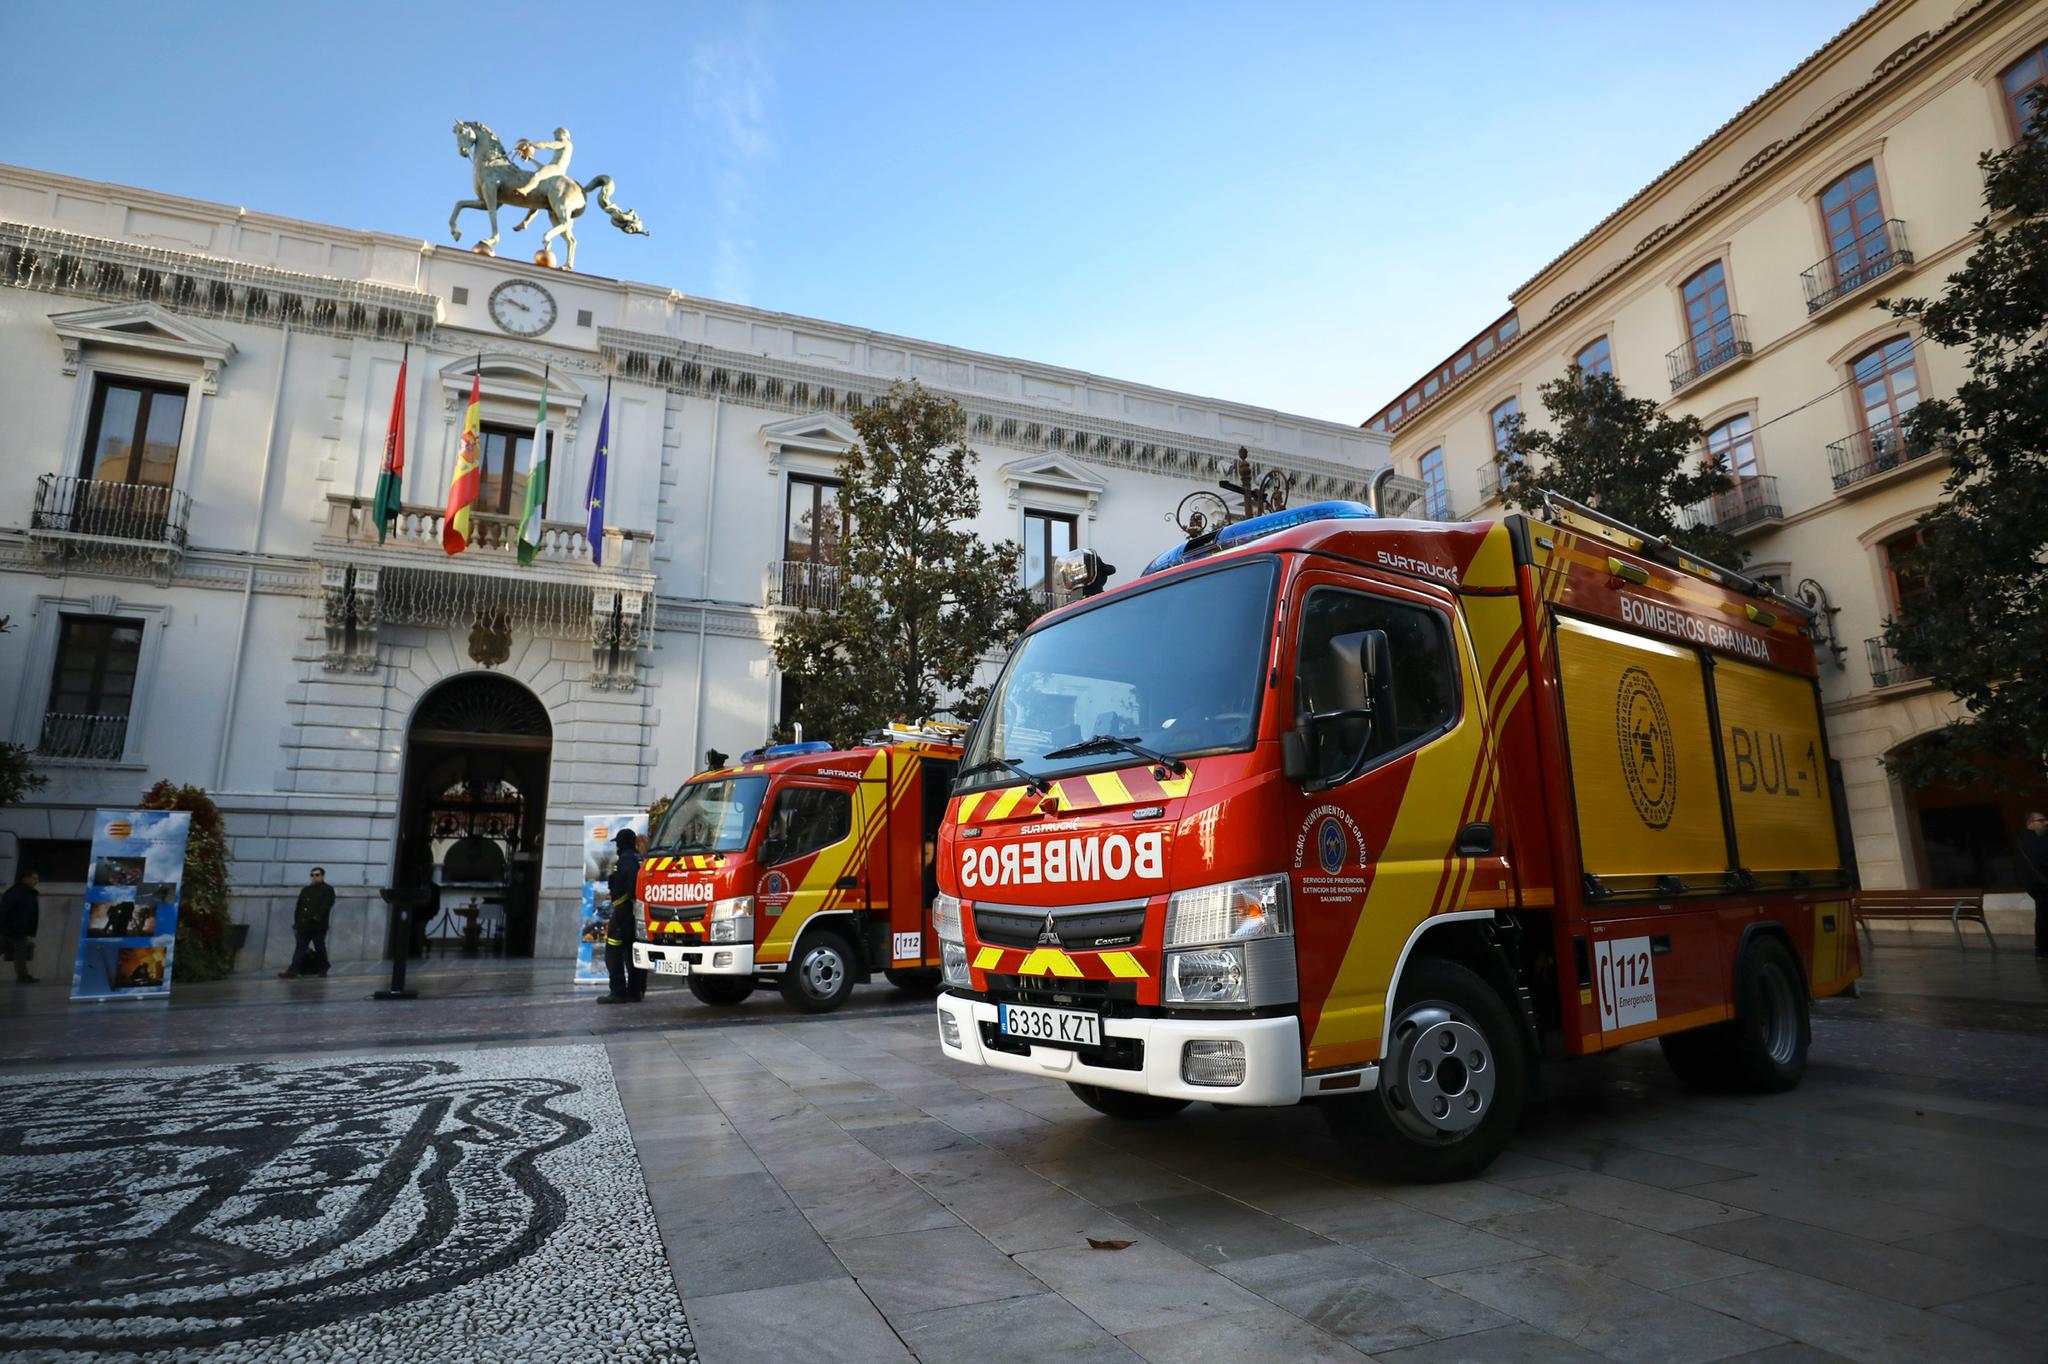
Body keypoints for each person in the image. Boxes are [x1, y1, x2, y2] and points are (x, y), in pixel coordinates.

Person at [599, 828, 647, 1003]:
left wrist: (628, 901)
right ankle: (635, 991)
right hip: (632, 913)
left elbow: (632, 884)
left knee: (612, 952)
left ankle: (618, 991)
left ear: (621, 843)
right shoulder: (637, 858)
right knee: (631, 953)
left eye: (617, 843)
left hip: (623, 913)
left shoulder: (626, 860)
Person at [280, 867, 335, 980]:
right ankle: (292, 970)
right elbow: (299, 906)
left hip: (318, 926)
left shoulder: (328, 889)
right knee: (300, 947)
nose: (314, 877)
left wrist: (317, 917)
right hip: (303, 926)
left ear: (322, 876)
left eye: (317, 875)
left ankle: (323, 967)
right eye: (312, 875)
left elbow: (327, 905)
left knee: (319, 947)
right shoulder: (306, 890)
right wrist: (297, 922)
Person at [0, 870, 41, 984]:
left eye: (37, 879)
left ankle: (23, 976)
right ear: (25, 879)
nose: (36, 881)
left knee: (12, 949)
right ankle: (23, 976)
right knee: (21, 953)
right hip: (15, 928)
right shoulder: (18, 893)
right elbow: (5, 910)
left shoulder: (27, 893)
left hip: (16, 928)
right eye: (34, 878)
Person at [2018, 810, 2048, 959]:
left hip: (2036, 883)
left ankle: (2042, 948)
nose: (2046, 823)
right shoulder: (2029, 839)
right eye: (2041, 820)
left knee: (2043, 914)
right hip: (2040, 883)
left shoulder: (2032, 838)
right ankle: (2042, 948)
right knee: (2043, 914)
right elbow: (2042, 860)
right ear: (2030, 823)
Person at [514, 127, 574, 196]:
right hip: (554, 167)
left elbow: (547, 145)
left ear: (563, 134)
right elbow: (544, 167)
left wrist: (530, 143)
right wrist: (530, 159)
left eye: (556, 133)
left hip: (557, 168)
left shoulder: (566, 143)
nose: (554, 134)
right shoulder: (565, 145)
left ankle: (525, 190)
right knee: (537, 175)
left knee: (537, 175)